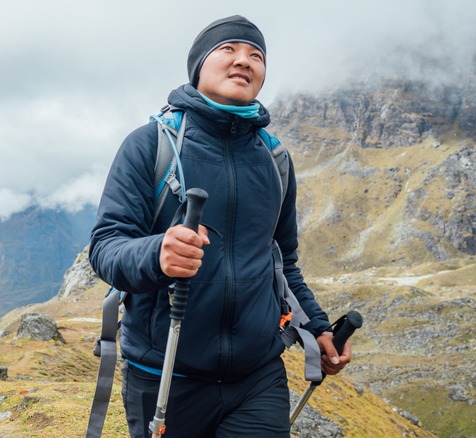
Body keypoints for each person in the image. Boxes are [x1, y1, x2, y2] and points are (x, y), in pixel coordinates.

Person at [89, 15, 352, 437]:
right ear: (198, 66)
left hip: (257, 376)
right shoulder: (149, 145)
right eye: (228, 49)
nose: (243, 61)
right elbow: (105, 248)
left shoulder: (275, 160)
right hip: (166, 373)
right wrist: (157, 253)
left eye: (256, 55)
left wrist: (319, 329)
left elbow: (282, 263)